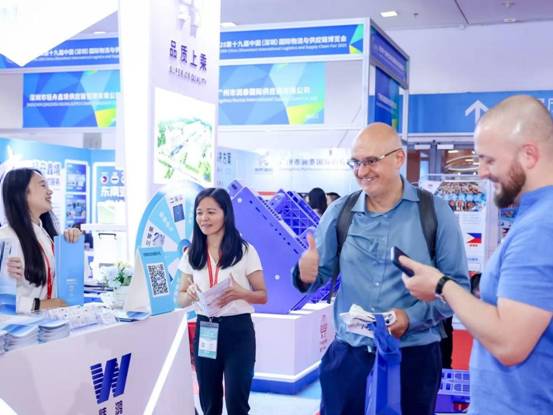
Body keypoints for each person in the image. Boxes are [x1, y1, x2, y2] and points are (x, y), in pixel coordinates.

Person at [294, 122, 469, 415]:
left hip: (413, 359)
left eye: (371, 161)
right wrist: (305, 274)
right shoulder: (340, 213)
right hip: (350, 358)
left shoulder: (434, 212)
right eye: (356, 163)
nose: (362, 171)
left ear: (398, 158)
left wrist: (411, 317)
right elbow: (318, 277)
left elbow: (457, 288)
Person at [401, 95, 553, 415]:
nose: (481, 172)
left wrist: (442, 285)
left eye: (489, 160)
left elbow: (510, 342)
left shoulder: (541, 227)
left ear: (529, 155)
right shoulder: (536, 216)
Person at [177, 187, 267, 415]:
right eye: (199, 213)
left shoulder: (244, 250)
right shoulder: (192, 253)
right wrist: (190, 294)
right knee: (209, 403)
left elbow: (262, 295)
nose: (204, 218)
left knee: (237, 402)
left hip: (238, 331)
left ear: (225, 213)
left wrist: (241, 293)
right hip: (205, 329)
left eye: (211, 212)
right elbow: (180, 299)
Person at [1, 168, 81, 313]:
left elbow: (70, 281)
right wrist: (40, 305)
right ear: (22, 192)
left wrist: (73, 246)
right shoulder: (6, 238)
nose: (50, 191)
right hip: (19, 325)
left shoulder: (46, 234)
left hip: (51, 322)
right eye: (43, 185)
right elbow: (3, 300)